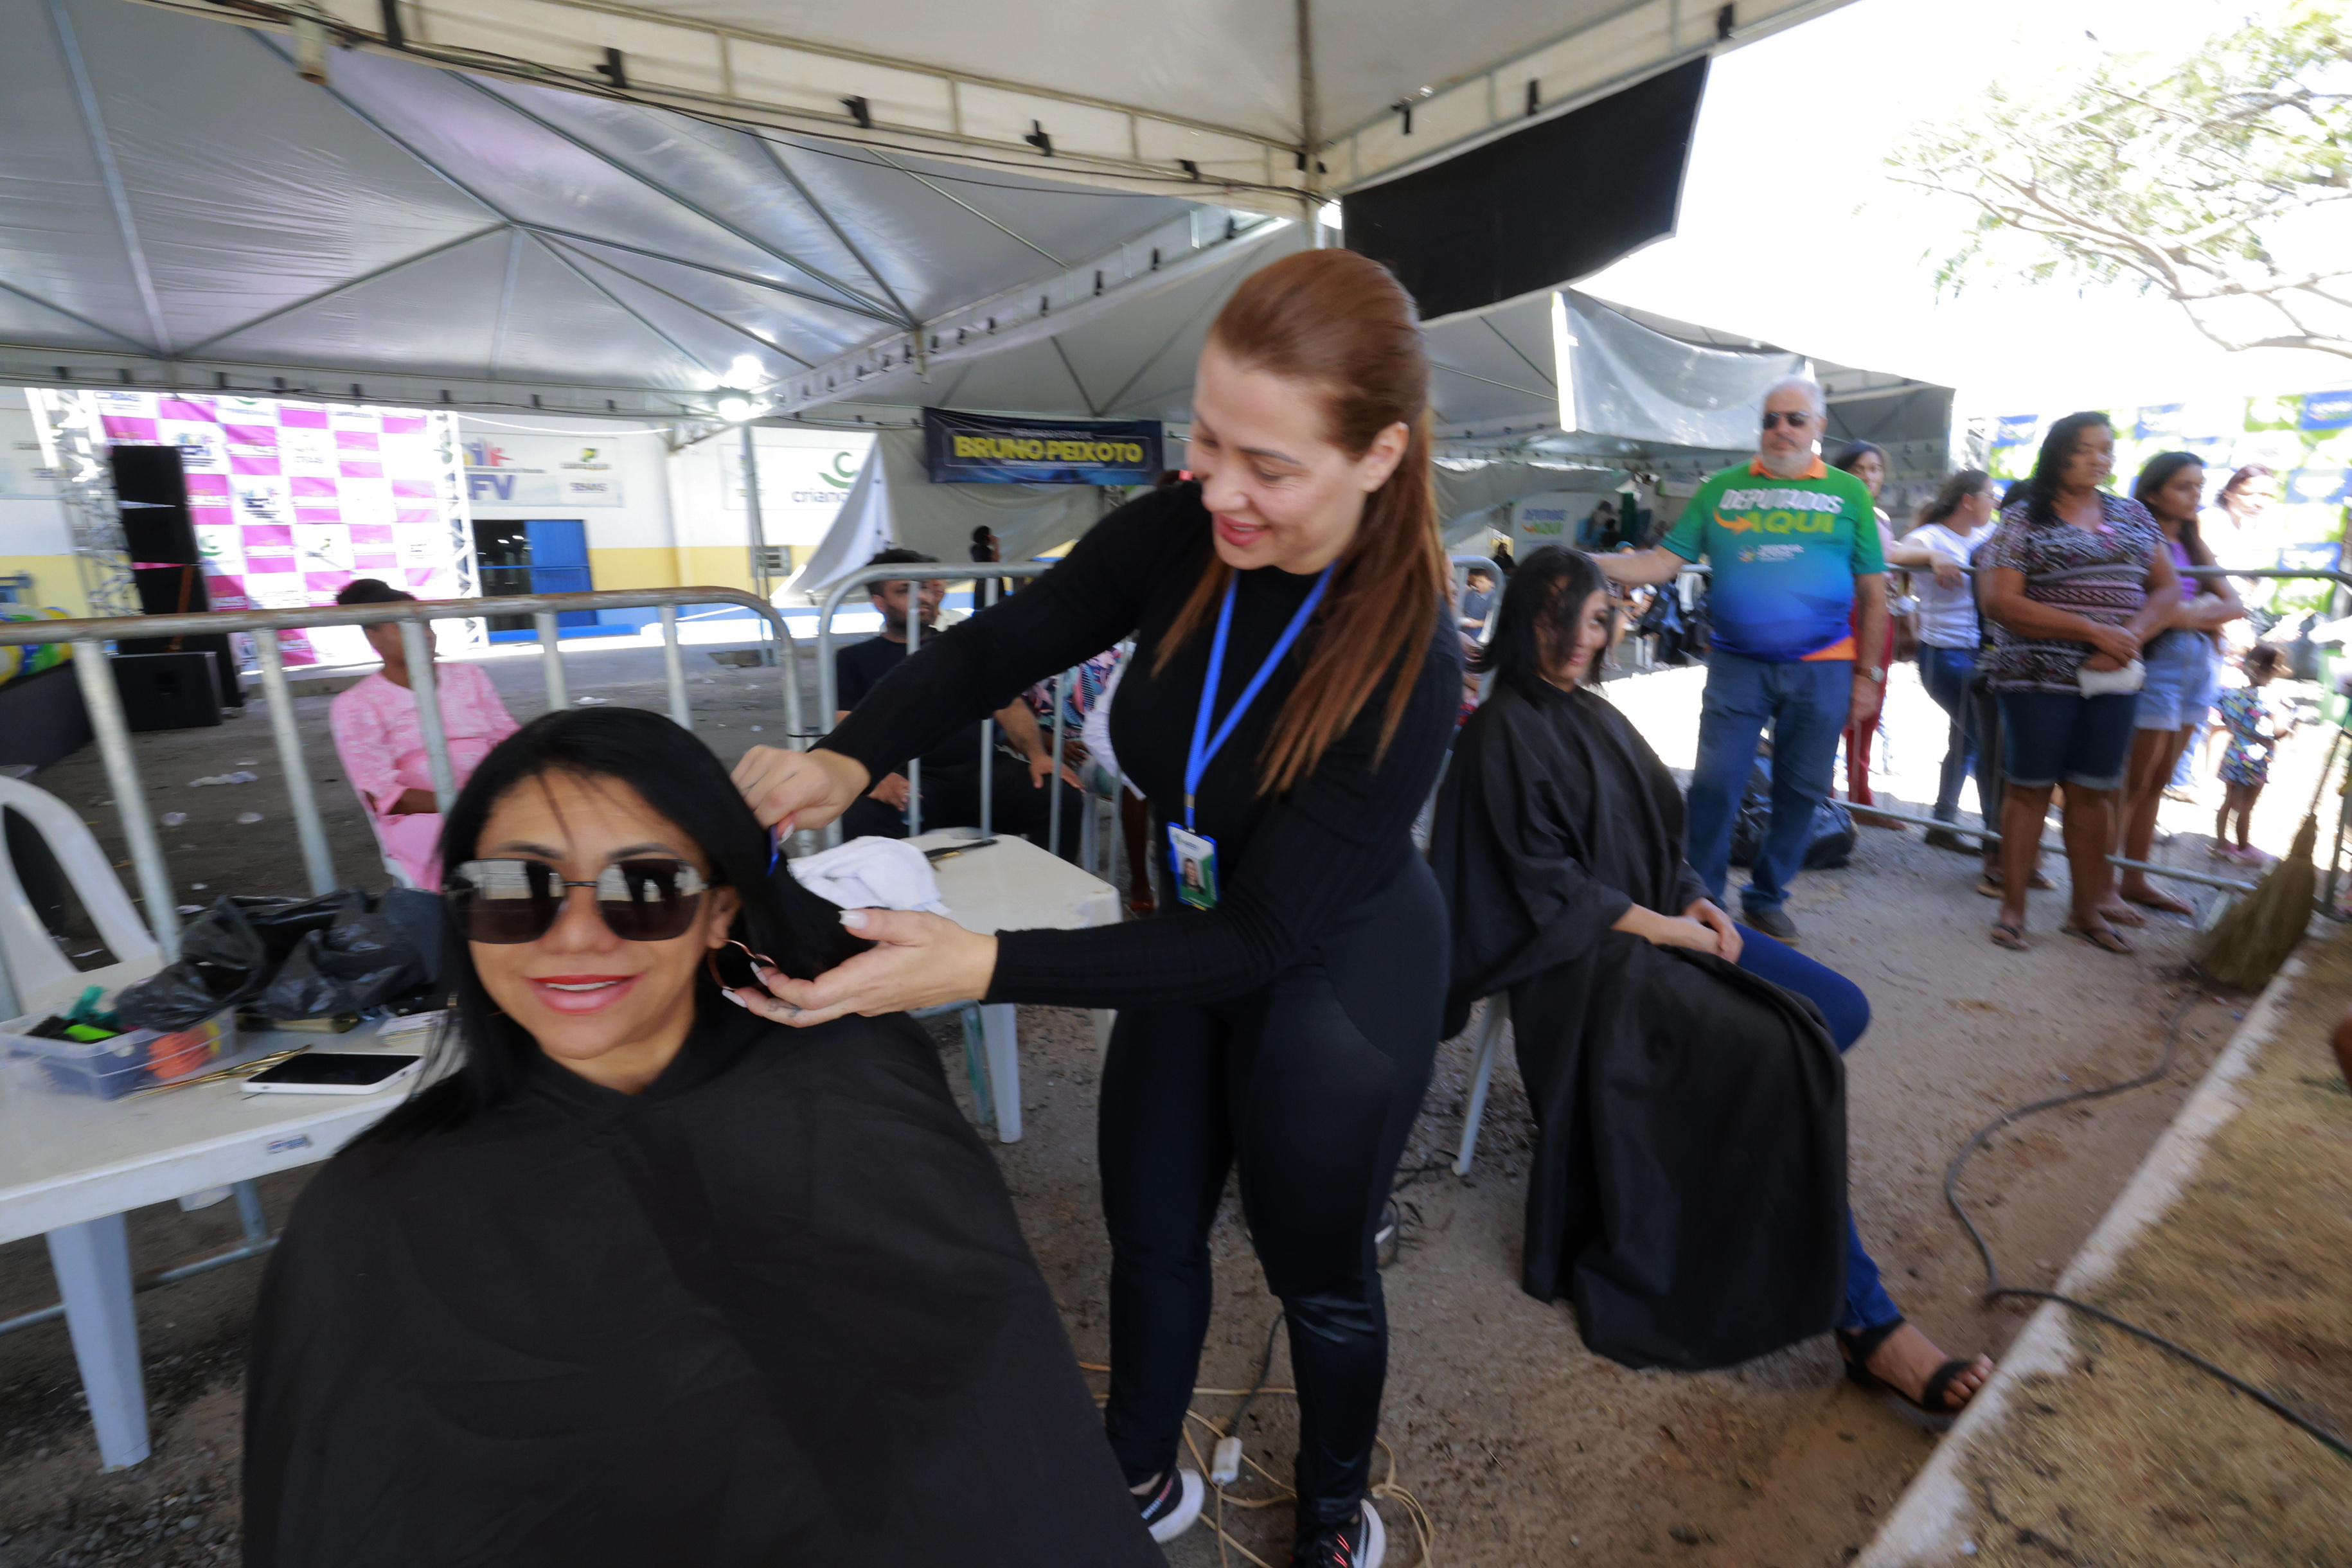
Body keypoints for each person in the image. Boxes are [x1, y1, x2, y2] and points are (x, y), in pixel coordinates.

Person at [726, 249, 1462, 1568]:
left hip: (1332, 976)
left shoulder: (1406, 657)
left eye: (1268, 465)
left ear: (1379, 455)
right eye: (1206, 439)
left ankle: (1332, 1511)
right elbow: (998, 645)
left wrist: (980, 963)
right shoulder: (1185, 529)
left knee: (1320, 1275)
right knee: (1151, 1227)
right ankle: (1137, 1467)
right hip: (1186, 934)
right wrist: (847, 755)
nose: (1220, 489)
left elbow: (1263, 935)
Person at [243, 708, 1156, 1567]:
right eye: (515, 888)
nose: (576, 937)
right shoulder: (367, 1221)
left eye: (643, 887)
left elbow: (1008, 1435)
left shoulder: (863, 1078)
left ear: (721, 909)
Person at [1429, 546, 1993, 1412]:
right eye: (1555, 617)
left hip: (1663, 922)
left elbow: (1657, 831)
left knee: (1836, 1010)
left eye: (1592, 619)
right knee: (1769, 1055)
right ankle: (1868, 1324)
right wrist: (1667, 930)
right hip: (1583, 962)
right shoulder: (1500, 730)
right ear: (1519, 623)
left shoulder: (1595, 713)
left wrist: (1696, 897)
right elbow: (1546, 888)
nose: (1578, 636)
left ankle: (1719, 1148)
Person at [1597, 377, 1888, 943]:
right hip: (1737, 665)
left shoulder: (1850, 493)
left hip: (1825, 666)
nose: (1781, 429)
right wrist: (1588, 561)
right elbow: (1661, 562)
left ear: (1819, 427)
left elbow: (1875, 596)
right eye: (1770, 419)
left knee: (1803, 789)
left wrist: (1868, 676)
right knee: (1714, 785)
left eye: (1795, 419)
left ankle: (1767, 896)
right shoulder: (1720, 489)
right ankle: (1703, 897)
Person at [1980, 412, 2181, 954]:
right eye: (2086, 448)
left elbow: (2168, 589)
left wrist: (2129, 638)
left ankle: (2086, 912)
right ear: (2058, 454)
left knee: (2094, 792)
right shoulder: (2024, 517)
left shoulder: (2133, 514)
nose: (2100, 459)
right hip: (2036, 674)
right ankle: (2013, 909)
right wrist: (2093, 630)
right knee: (2029, 789)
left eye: (2106, 449)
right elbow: (2000, 602)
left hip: (2115, 673)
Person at [834, 548, 1082, 855]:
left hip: (979, 772)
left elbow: (1008, 706)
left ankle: (1049, 885)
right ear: (879, 603)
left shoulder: (964, 644)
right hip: (909, 780)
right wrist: (875, 776)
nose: (922, 597)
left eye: (924, 587)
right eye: (905, 590)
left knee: (1060, 796)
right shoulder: (854, 659)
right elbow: (846, 724)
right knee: (853, 819)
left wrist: (1038, 755)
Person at [2111, 452, 2245, 916]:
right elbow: (2140, 606)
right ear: (2153, 493)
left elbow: (2235, 604)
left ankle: (2134, 878)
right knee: (2134, 780)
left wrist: (2183, 615)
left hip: (2200, 663)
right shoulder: (2137, 538)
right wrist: (2193, 614)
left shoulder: (2193, 541)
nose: (2196, 495)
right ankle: (2103, 885)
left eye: (2199, 486)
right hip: (2158, 662)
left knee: (2158, 781)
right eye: (2184, 486)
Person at [326, 577, 519, 889]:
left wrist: (506, 789)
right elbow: (384, 795)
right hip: (425, 816)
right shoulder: (356, 704)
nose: (426, 634)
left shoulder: (469, 676)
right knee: (470, 847)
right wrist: (467, 802)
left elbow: (511, 741)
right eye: (406, 626)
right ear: (373, 637)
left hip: (495, 796)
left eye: (427, 624)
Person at [1885, 471, 1999, 851]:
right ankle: (1996, 840)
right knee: (1988, 742)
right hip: (1946, 656)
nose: (1995, 502)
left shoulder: (1987, 533)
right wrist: (1934, 556)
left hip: (1981, 653)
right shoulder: (1932, 536)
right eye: (1990, 495)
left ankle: (1942, 823)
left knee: (1966, 740)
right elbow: (1893, 553)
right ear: (1968, 500)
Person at [1829, 441, 1905, 829]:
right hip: (1844, 614)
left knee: (1871, 702)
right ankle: (1824, 796)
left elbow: (1890, 558)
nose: (1868, 476)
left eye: (1874, 469)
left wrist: (1931, 556)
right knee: (1832, 703)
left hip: (1878, 616)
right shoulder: (1833, 513)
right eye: (1859, 469)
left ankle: (1861, 798)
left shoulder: (1880, 518)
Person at [2214, 644, 2292, 863]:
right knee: (2246, 807)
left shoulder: (2232, 694)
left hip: (2233, 754)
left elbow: (2225, 720)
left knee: (2228, 801)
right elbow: (2278, 731)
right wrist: (2289, 726)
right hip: (2257, 758)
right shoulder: (2274, 700)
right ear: (2275, 670)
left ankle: (2221, 844)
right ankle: (2243, 848)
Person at [1457, 566, 1496, 632]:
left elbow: (1494, 621)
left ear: (1491, 582)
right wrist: (1461, 616)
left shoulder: (1494, 597)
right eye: (1476, 581)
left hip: (1481, 631)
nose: (1477, 584)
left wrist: (1478, 623)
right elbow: (1463, 609)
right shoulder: (1471, 593)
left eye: (1481, 581)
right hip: (1464, 628)